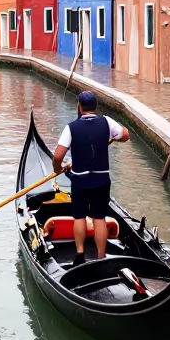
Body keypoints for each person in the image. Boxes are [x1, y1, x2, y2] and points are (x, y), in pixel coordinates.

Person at [52, 89, 129, 265]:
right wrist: (116, 136)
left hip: (80, 181)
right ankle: (101, 256)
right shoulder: (107, 122)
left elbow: (58, 156)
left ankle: (80, 253)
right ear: (95, 107)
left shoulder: (71, 127)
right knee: (99, 218)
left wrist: (58, 169)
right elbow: (125, 135)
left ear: (80, 107)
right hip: (102, 180)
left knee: (79, 217)